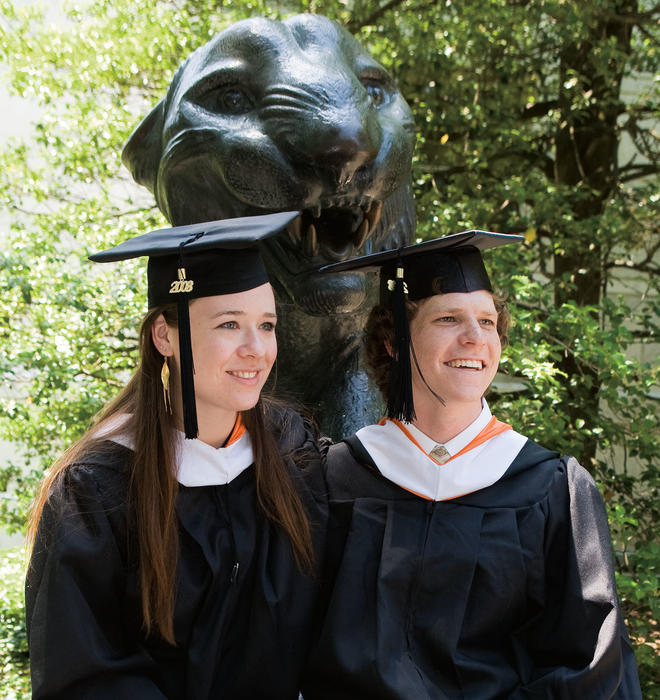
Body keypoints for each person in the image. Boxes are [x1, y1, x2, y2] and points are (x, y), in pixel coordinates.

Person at [301, 231, 641, 699]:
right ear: (392, 340)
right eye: (449, 318)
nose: (475, 338)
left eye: (487, 321)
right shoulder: (333, 478)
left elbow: (590, 662)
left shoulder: (551, 489)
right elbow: (279, 643)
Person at [25, 211, 327, 700]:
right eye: (230, 324)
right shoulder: (97, 489)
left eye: (267, 325)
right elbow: (82, 672)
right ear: (164, 336)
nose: (257, 349)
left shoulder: (294, 452)